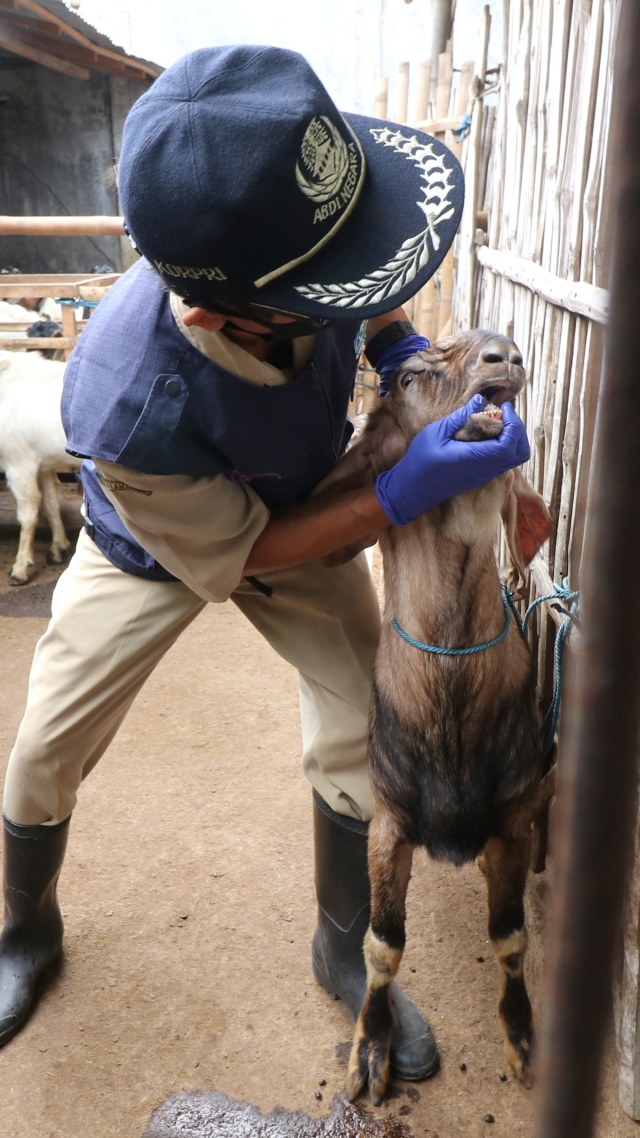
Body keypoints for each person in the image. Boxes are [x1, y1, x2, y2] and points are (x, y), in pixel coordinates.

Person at [0, 45, 530, 1080]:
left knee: (366, 714)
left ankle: (343, 942)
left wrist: (396, 349)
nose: (363, 284)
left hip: (306, 496)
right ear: (215, 313)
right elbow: (249, 553)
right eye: (338, 286)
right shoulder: (126, 405)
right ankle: (24, 930)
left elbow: (374, 285)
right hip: (155, 544)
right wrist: (393, 494)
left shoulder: (278, 243)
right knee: (45, 744)